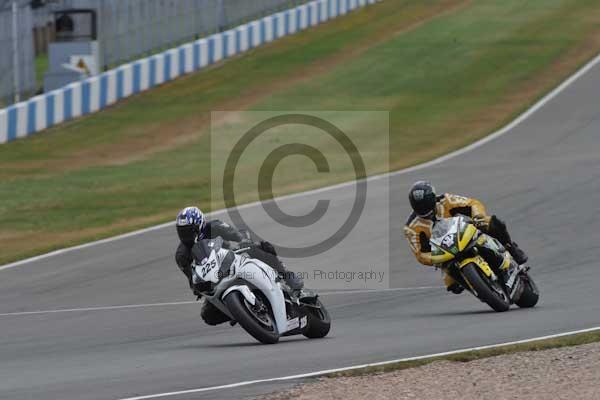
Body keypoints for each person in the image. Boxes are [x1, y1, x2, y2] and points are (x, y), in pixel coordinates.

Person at [174, 206, 304, 325]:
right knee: (208, 316)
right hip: (215, 278)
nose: (185, 236)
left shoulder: (214, 226)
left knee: (262, 247)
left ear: (200, 225)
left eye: (188, 231)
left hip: (234, 260)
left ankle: (288, 277)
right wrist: (197, 287)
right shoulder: (182, 255)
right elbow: (191, 277)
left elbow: (236, 234)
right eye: (182, 232)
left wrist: (244, 241)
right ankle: (241, 312)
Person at [404, 181, 528, 294]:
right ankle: (480, 287)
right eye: (420, 207)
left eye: (427, 205)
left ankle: (511, 248)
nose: (425, 210)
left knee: (490, 223)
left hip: (463, 233)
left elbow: (472, 203)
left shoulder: (446, 200)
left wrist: (478, 216)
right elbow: (420, 254)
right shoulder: (411, 227)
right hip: (444, 252)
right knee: (453, 286)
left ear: (433, 199)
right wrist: (435, 258)